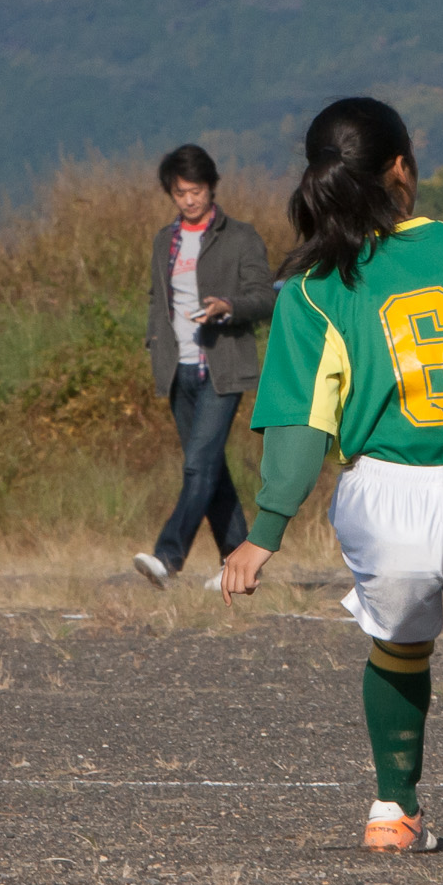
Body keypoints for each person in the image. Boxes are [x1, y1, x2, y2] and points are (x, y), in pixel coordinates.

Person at [219, 99, 443, 862]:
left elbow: (300, 430)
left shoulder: (314, 285)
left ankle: (394, 809)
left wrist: (262, 535)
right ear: (402, 166)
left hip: (388, 495)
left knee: (398, 648)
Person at [133, 144, 275, 590]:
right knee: (211, 471)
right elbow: (158, 300)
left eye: (196, 191)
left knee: (198, 466)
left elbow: (266, 297)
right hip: (177, 370)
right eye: (180, 193)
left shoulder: (241, 237)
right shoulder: (164, 240)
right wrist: (154, 342)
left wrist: (228, 306)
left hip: (221, 368)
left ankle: (168, 556)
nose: (189, 200)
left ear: (211, 188)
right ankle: (240, 567)